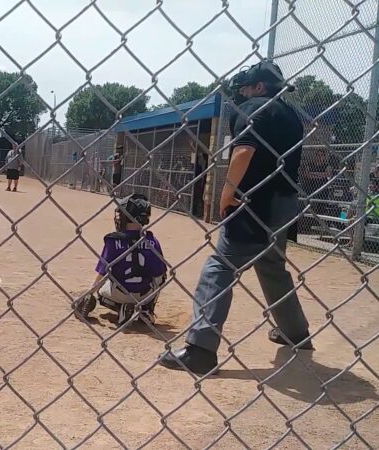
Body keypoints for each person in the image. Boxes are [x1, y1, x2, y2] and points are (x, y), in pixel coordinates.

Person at [159, 60, 312, 375]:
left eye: (245, 87)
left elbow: (244, 152)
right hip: (285, 204)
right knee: (272, 266)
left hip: (255, 203)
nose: (241, 93)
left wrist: (226, 193)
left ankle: (200, 350)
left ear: (259, 87)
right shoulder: (291, 115)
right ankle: (295, 333)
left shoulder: (252, 107)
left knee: (220, 266)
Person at [74, 194, 167, 326]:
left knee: (101, 293)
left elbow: (102, 273)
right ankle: (146, 310)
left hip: (119, 292)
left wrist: (90, 293)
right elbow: (159, 272)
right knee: (162, 276)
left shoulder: (113, 240)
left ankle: (121, 308)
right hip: (144, 294)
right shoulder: (152, 240)